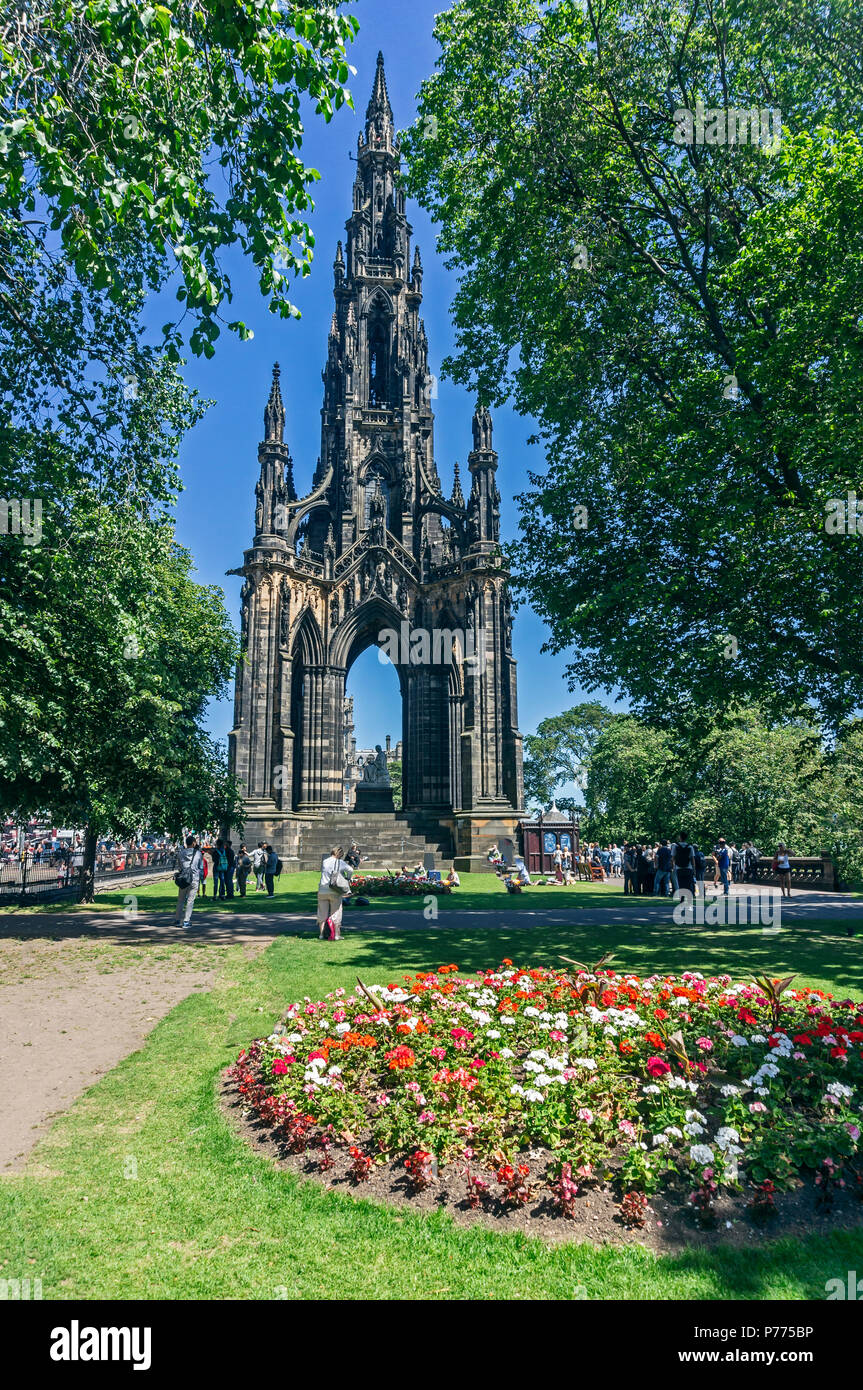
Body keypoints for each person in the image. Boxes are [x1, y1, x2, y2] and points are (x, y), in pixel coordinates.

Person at [317, 845, 354, 940]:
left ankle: (321, 934)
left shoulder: (325, 861)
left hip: (322, 889)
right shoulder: (340, 862)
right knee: (336, 913)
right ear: (340, 854)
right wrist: (348, 878)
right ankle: (336, 934)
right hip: (334, 890)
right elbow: (350, 870)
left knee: (322, 913)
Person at [174, 835, 204, 930]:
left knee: (180, 900)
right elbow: (200, 866)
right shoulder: (198, 853)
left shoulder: (180, 853)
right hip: (194, 878)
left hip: (184, 878)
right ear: (194, 843)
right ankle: (186, 921)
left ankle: (178, 920)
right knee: (190, 901)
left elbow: (179, 866)